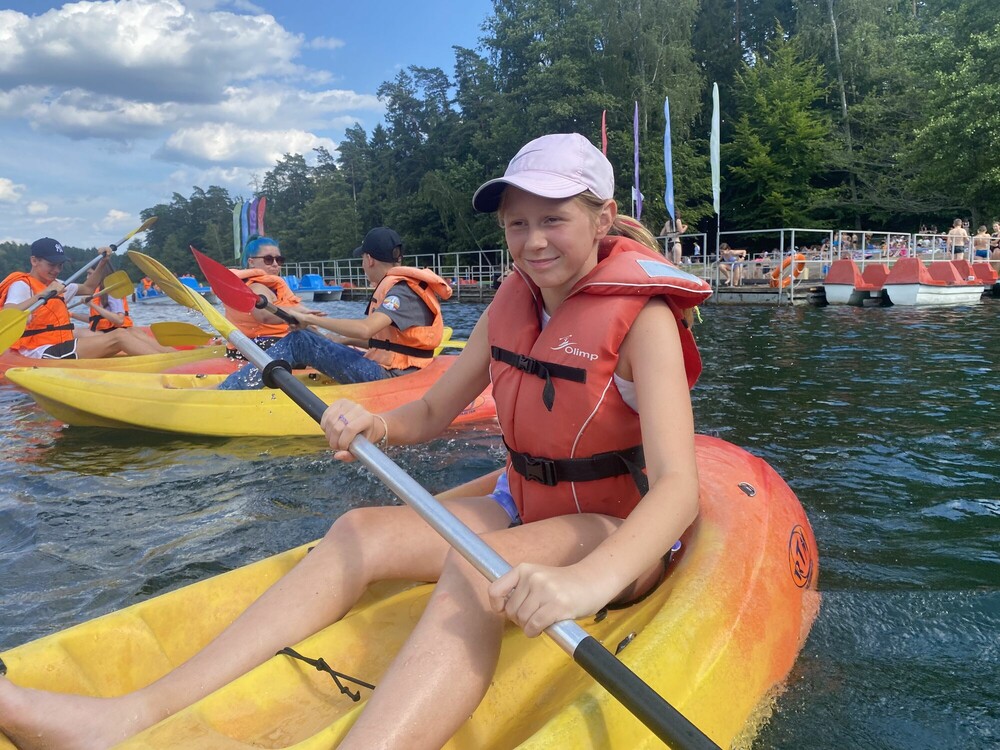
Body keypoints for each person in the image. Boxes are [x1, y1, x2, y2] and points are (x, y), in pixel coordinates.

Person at [0, 133, 712, 749]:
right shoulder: (512, 302)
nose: (532, 241)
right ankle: (127, 718)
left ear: (603, 218)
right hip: (523, 503)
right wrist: (379, 424)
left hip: (610, 527)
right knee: (358, 531)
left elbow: (678, 489)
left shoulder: (643, 321)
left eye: (554, 219)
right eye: (517, 223)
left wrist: (589, 581)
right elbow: (430, 411)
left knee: (478, 571)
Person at [217, 227, 452, 389]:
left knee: (300, 341)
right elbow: (385, 342)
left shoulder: (401, 291)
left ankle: (230, 390)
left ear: (369, 259)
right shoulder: (401, 287)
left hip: (391, 375)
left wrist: (311, 320)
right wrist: (337, 340)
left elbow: (365, 329)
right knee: (308, 338)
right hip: (394, 367)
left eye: (362, 259)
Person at [0, 238, 171, 359]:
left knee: (127, 332)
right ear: (34, 261)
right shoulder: (22, 285)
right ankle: (169, 366)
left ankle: (177, 358)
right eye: (51, 265)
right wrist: (41, 295)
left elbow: (88, 288)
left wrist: (103, 263)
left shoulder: (58, 285)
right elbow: (8, 313)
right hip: (39, 350)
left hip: (61, 344)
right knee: (119, 336)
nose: (56, 270)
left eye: (60, 265)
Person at [219, 235, 319, 359]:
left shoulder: (268, 286)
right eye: (268, 259)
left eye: (279, 260)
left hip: (248, 348)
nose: (275, 264)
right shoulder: (256, 287)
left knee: (323, 341)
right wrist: (299, 312)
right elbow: (263, 315)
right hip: (258, 349)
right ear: (251, 262)